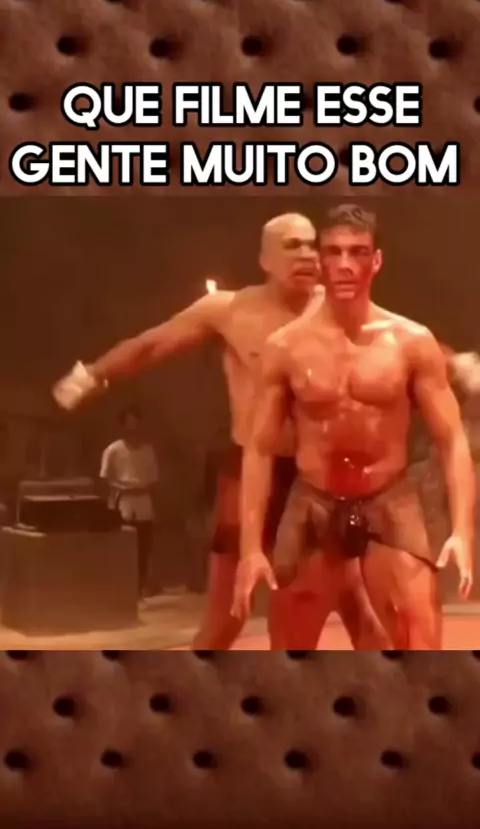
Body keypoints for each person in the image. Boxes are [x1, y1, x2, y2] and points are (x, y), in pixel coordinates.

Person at [52, 212, 387, 651]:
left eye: (312, 245)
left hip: (317, 475)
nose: (307, 255)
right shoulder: (229, 310)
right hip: (249, 470)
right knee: (227, 615)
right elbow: (152, 344)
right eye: (293, 246)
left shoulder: (341, 307)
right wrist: (93, 374)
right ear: (265, 259)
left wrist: (457, 366)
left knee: (346, 601)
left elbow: (401, 339)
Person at [233, 204, 476, 651]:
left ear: (376, 260)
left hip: (389, 496)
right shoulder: (285, 347)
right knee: (288, 648)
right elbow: (260, 448)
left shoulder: (410, 341)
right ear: (321, 260)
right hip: (314, 499)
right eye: (334, 252)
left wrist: (462, 530)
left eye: (358, 252)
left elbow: (452, 438)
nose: (345, 264)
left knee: (420, 636)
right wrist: (250, 548)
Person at [100, 406, 159, 604]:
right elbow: (106, 478)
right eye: (129, 424)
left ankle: (138, 591)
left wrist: (143, 491)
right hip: (122, 503)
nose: (133, 428)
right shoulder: (113, 450)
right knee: (123, 549)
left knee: (143, 550)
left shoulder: (148, 451)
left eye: (136, 423)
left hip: (144, 505)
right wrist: (123, 488)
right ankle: (119, 592)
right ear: (122, 426)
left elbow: (153, 479)